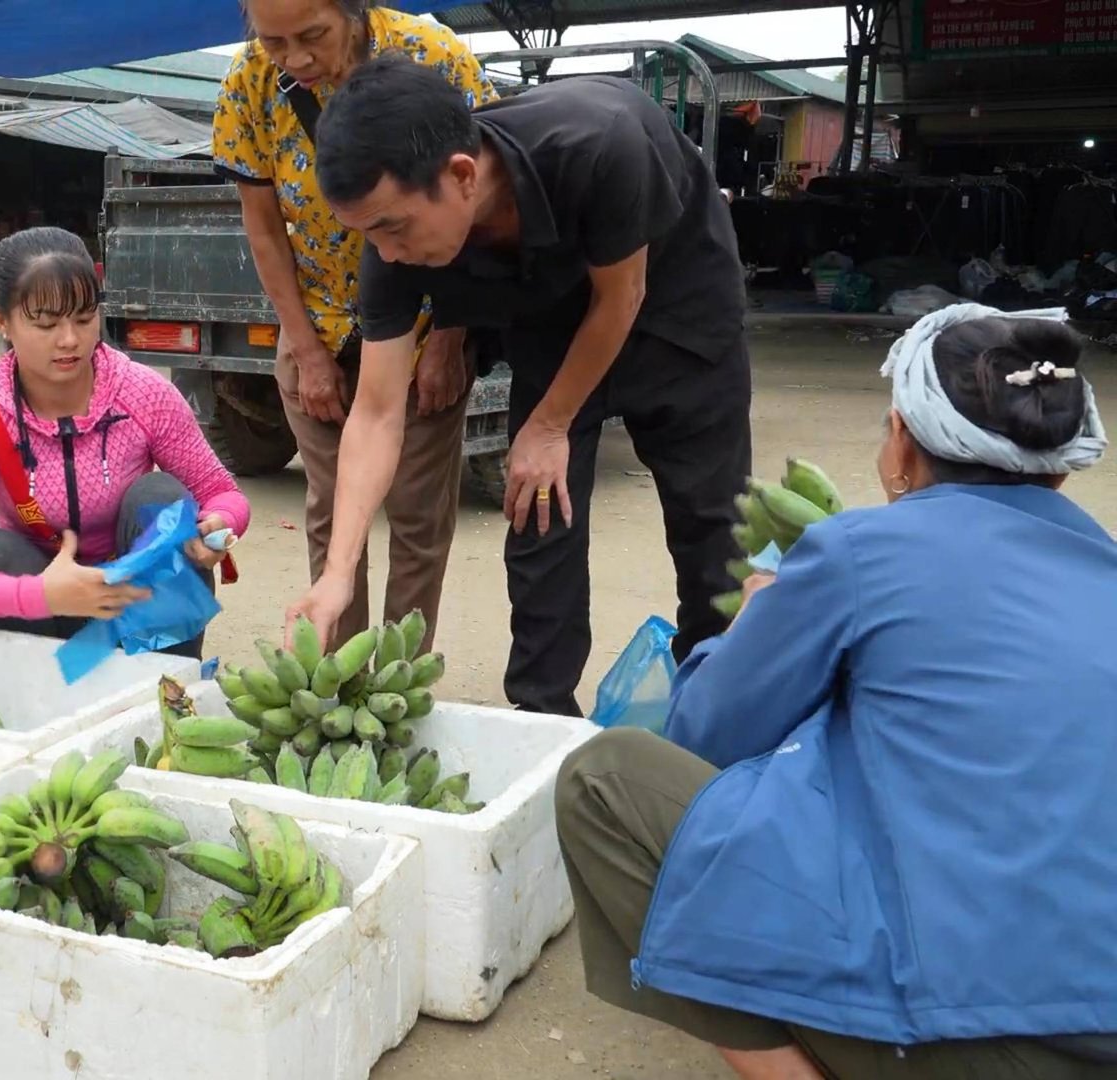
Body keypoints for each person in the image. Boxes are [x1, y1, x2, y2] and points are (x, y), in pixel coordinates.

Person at [556, 307, 1117, 1079]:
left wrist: (749, 626)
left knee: (604, 778)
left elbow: (704, 738)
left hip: (963, 1039)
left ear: (901, 444)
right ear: (1059, 467)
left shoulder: (859, 551)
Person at [285, 54, 754, 717]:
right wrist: (337, 573)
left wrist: (552, 422)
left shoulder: (598, 143)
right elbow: (377, 411)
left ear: (462, 176)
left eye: (393, 228)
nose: (386, 254)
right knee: (539, 528)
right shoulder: (391, 242)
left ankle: (721, 712)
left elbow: (623, 297)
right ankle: (542, 724)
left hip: (676, 313)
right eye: (368, 235)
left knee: (714, 530)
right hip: (556, 328)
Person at [212, 0, 497, 655]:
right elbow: (263, 229)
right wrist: (307, 352)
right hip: (316, 321)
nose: (296, 60)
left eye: (313, 36)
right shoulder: (250, 82)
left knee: (419, 514)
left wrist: (451, 337)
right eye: (276, 42)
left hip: (423, 325)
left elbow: (471, 204)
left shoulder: (435, 57)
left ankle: (398, 683)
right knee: (331, 508)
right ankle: (336, 677)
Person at [0, 226, 250, 658]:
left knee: (161, 498)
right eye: (46, 323)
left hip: (139, 602)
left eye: (85, 318)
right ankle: (46, 686)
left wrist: (219, 523)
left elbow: (222, 493)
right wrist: (40, 595)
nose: (70, 340)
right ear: (3, 321)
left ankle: (165, 679)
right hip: (42, 611)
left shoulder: (143, 394)